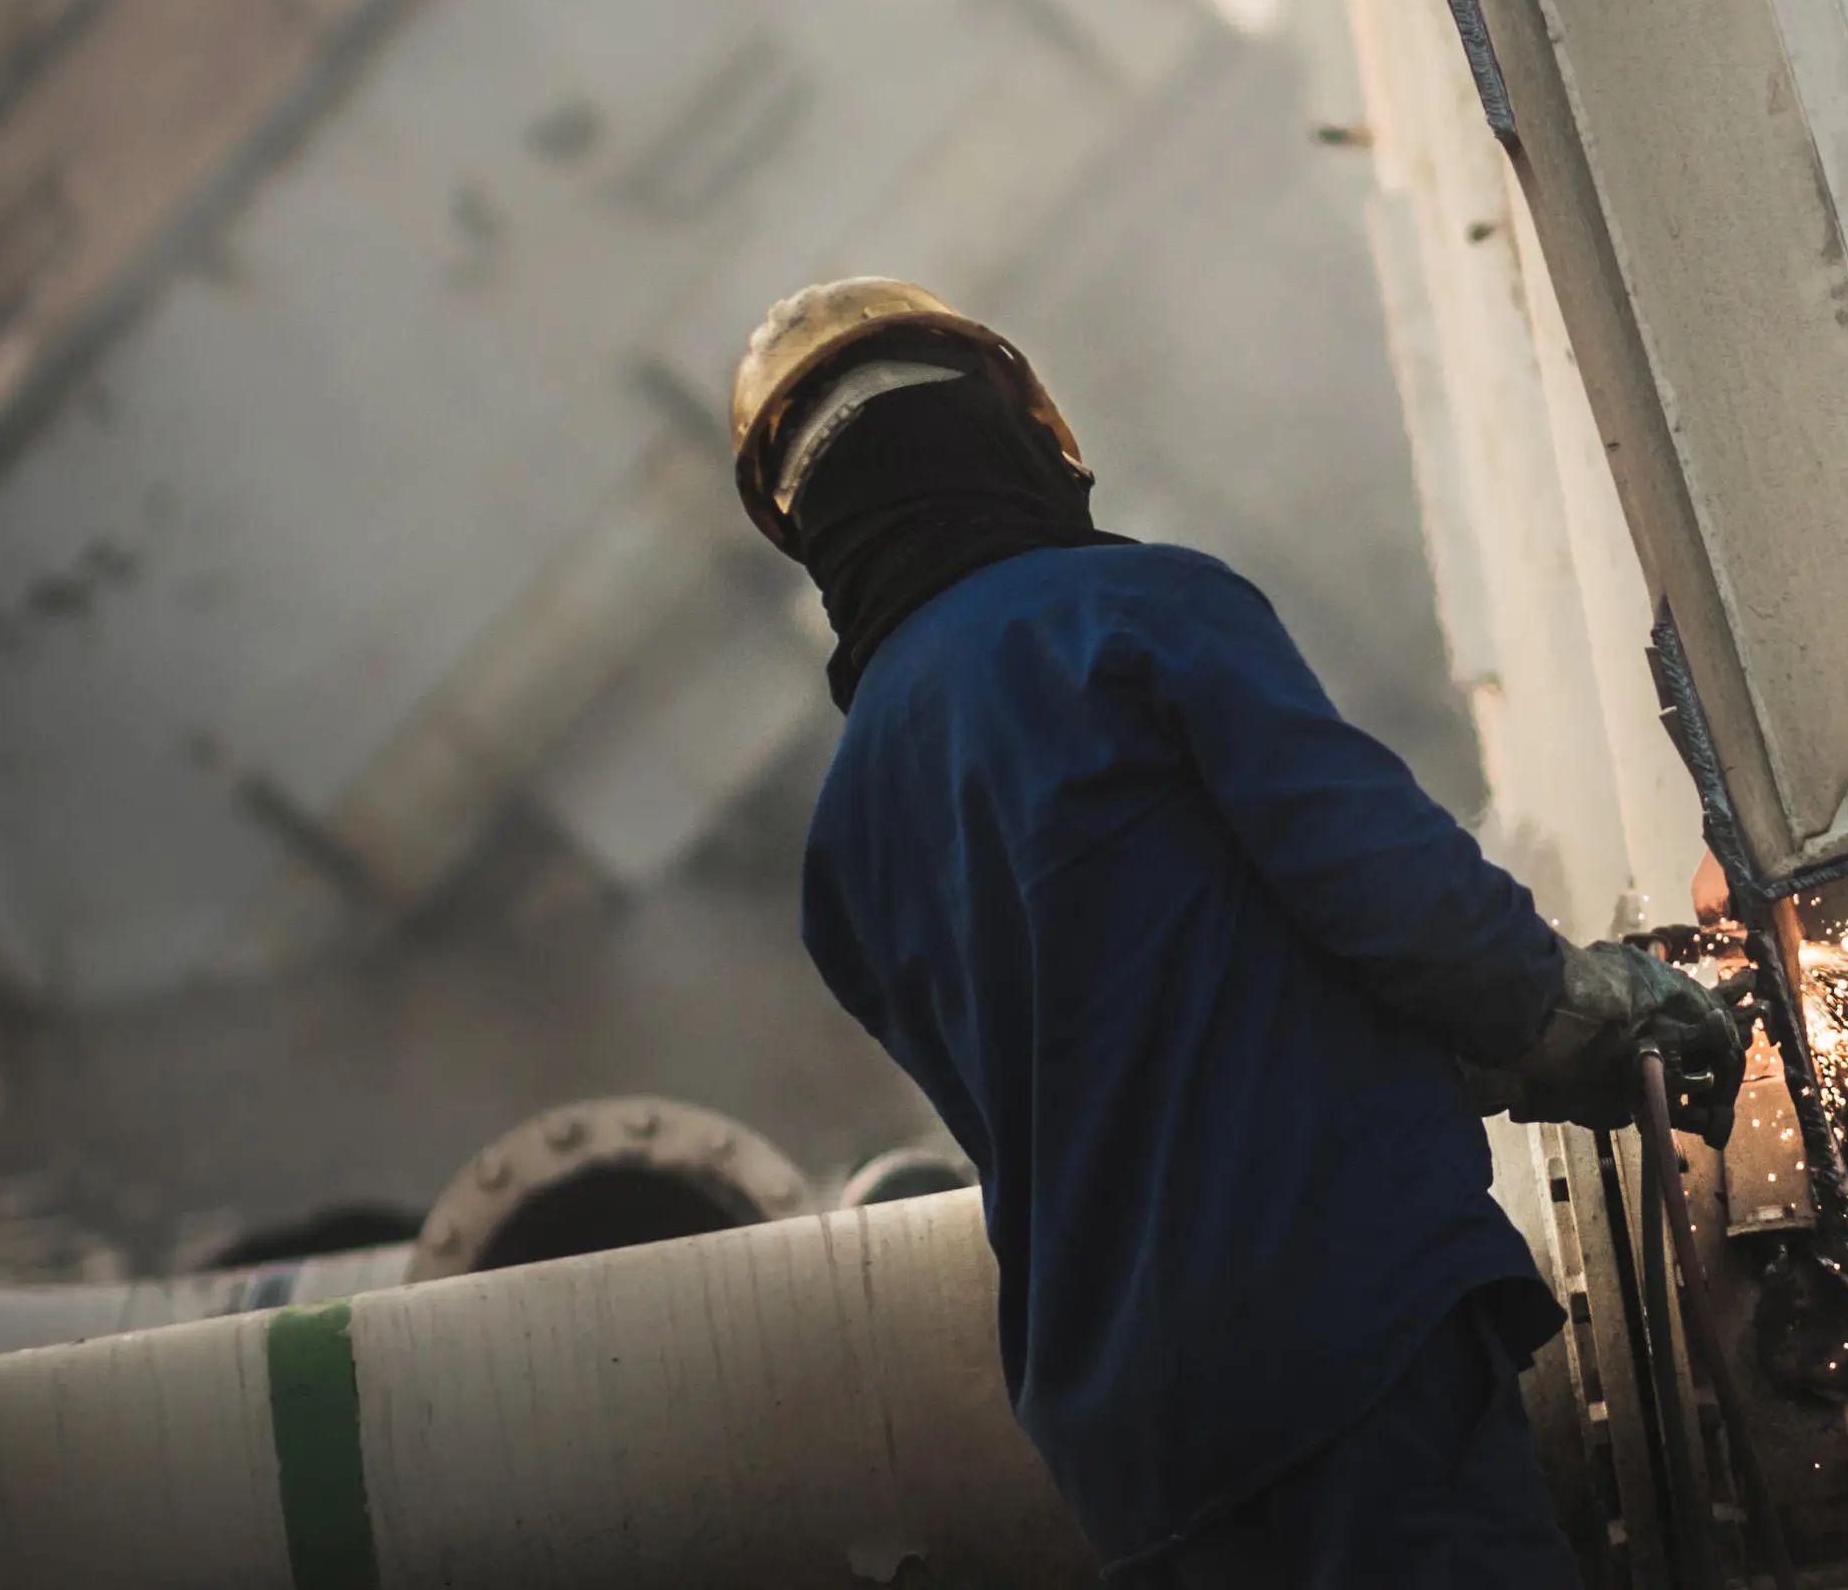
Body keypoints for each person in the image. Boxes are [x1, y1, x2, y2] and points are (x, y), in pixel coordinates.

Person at [729, 278, 1743, 1588]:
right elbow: (1409, 911)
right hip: (1335, 1326)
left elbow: (1131, 1064)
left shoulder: (843, 845)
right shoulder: (1132, 616)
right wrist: (1595, 1012)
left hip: (1133, 1450)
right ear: (1007, 432)